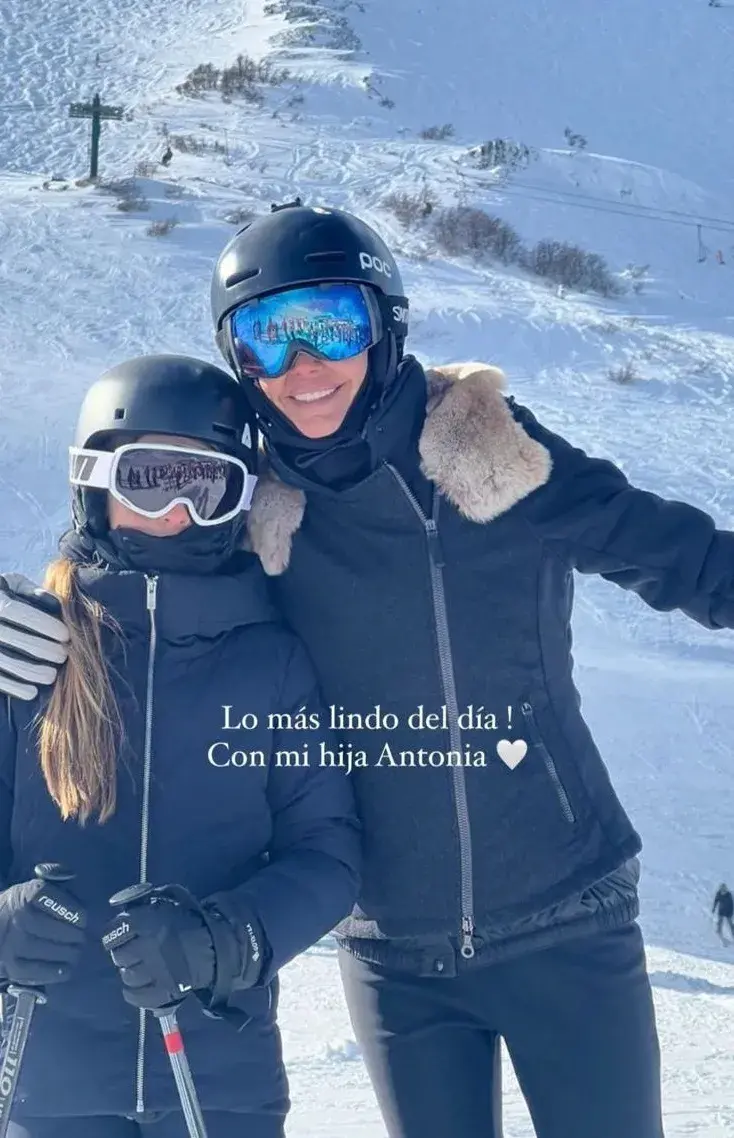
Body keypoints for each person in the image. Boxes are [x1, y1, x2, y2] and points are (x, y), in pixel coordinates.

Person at [4, 204, 734, 1137]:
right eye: (269, 337)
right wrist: (27, 611)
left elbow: (695, 564)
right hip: (395, 957)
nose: (302, 368)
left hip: (568, 917)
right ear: (239, 360)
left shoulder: (500, 463)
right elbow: (137, 577)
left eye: (330, 325)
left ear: (385, 321)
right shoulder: (253, 504)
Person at [0, 354, 360, 1138]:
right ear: (94, 482)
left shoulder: (273, 662)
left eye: (207, 488)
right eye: (149, 480)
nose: (175, 515)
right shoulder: (28, 652)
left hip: (219, 1079)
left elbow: (327, 851)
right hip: (49, 1082)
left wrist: (222, 940)